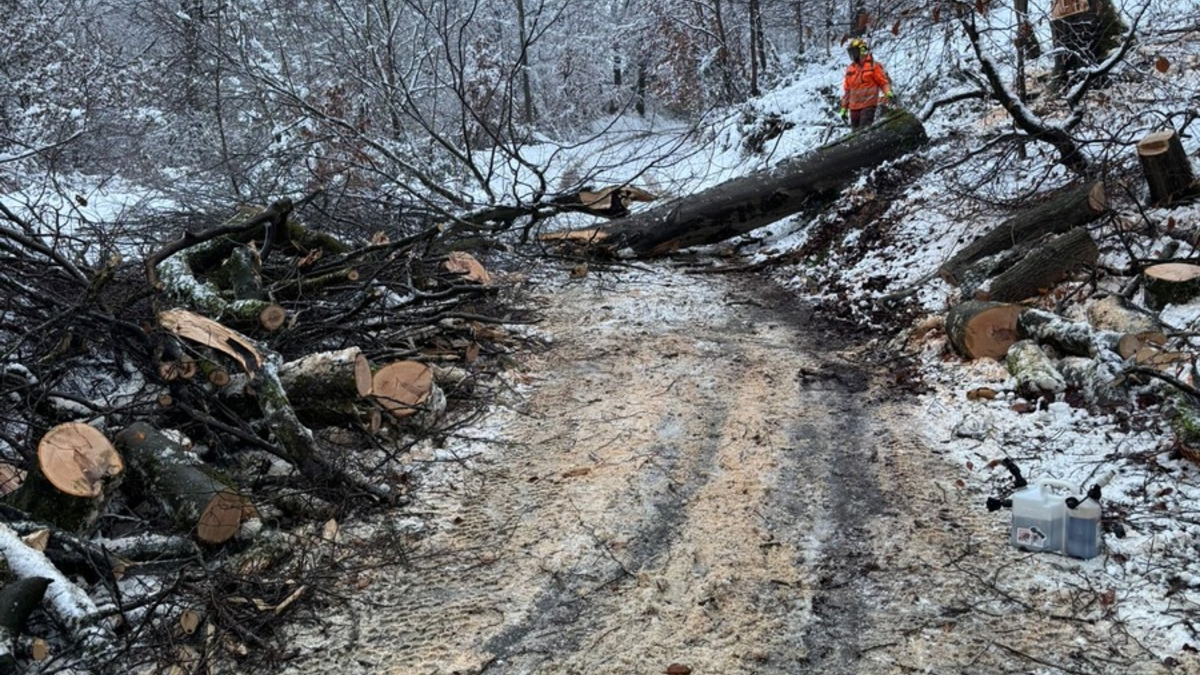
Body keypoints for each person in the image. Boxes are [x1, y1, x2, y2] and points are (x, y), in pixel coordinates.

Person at [839, 38, 893, 131]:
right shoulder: (850, 69)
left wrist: (888, 93)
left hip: (868, 105)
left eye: (855, 51)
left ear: (862, 50)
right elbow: (847, 90)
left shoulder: (873, 66)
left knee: (864, 131)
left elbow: (883, 82)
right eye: (851, 52)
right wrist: (844, 108)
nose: (853, 55)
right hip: (854, 107)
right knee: (855, 134)